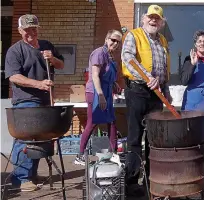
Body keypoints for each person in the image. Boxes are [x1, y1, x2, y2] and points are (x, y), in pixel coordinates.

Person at [5, 14, 64, 191]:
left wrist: (52, 59)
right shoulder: (15, 51)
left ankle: (31, 174)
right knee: (25, 139)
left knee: (40, 138)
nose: (30, 32)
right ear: (19, 30)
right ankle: (20, 179)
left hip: (45, 101)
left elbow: (61, 65)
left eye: (34, 28)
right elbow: (14, 76)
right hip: (25, 102)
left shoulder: (47, 45)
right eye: (26, 29)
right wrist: (39, 84)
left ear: (38, 29)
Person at [121, 4, 172, 196]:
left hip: (156, 95)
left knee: (154, 139)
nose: (153, 20)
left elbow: (164, 69)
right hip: (137, 91)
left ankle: (152, 179)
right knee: (134, 138)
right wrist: (146, 77)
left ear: (161, 22)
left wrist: (166, 89)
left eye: (157, 18)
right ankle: (132, 182)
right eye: (150, 17)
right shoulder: (134, 35)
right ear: (143, 19)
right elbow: (127, 57)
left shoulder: (163, 41)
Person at [74, 30, 123, 165]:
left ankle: (113, 153)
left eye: (118, 42)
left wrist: (114, 84)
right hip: (95, 93)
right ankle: (80, 155)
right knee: (93, 122)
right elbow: (94, 75)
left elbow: (106, 75)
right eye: (113, 40)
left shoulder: (111, 56)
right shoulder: (99, 53)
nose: (115, 43)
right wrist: (100, 95)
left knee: (111, 122)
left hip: (107, 92)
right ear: (107, 38)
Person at [180, 30, 204, 181]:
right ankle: (190, 169)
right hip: (193, 101)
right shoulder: (188, 59)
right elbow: (184, 80)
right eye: (200, 41)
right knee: (192, 137)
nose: (203, 43)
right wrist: (192, 64)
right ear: (195, 44)